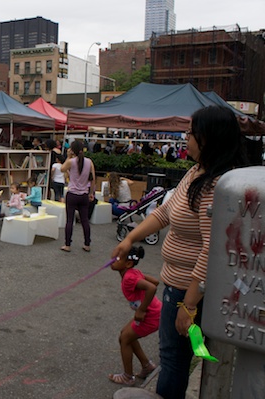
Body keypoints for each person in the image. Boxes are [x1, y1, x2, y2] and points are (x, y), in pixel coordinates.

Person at [111, 105, 249, 399]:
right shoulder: (196, 172)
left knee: (174, 359)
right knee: (175, 356)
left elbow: (211, 250)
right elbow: (163, 214)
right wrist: (130, 237)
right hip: (177, 286)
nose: (185, 138)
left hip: (188, 292)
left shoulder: (215, 186)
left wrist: (188, 306)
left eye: (191, 133)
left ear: (209, 138)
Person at [108, 245, 161, 386]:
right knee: (125, 335)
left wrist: (141, 309)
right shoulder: (132, 273)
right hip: (153, 312)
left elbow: (152, 287)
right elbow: (154, 281)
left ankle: (128, 376)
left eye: (117, 259)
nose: (113, 260)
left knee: (125, 339)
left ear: (128, 263)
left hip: (151, 316)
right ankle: (146, 365)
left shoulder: (129, 278)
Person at [61, 140, 95, 252]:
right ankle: (87, 244)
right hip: (84, 194)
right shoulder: (89, 162)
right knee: (85, 220)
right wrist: (91, 193)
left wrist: (68, 156)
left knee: (69, 220)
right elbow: (93, 178)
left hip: (72, 194)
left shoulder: (71, 161)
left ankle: (67, 244)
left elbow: (62, 169)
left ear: (72, 150)